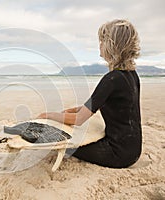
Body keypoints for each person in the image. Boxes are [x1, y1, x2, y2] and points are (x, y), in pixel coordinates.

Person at [37, 19, 142, 168]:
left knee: (66, 145)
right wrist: (72, 110)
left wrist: (48, 115)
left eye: (102, 40)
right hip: (133, 150)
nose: (99, 45)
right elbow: (100, 105)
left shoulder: (111, 80)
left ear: (112, 45)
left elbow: (79, 120)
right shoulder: (131, 75)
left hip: (117, 154)